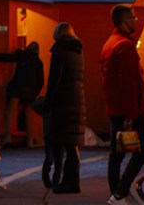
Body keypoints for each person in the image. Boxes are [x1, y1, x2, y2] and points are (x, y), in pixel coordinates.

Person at [101, 5, 144, 204]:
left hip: (114, 107)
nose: (135, 21)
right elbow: (129, 82)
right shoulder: (126, 46)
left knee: (117, 153)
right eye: (132, 18)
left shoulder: (110, 44)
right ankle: (119, 192)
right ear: (124, 20)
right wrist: (132, 113)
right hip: (129, 109)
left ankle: (116, 192)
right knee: (141, 153)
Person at [42, 21, 85, 194]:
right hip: (77, 99)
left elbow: (54, 80)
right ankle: (71, 180)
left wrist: (48, 103)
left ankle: (70, 182)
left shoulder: (59, 51)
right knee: (72, 143)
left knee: (65, 143)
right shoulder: (78, 50)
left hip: (63, 102)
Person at [0, 39, 44, 148]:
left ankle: (7, 136)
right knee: (28, 114)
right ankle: (29, 141)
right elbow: (41, 81)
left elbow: (7, 58)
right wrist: (35, 93)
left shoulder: (21, 54)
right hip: (30, 91)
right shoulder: (38, 62)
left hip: (17, 88)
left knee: (10, 110)